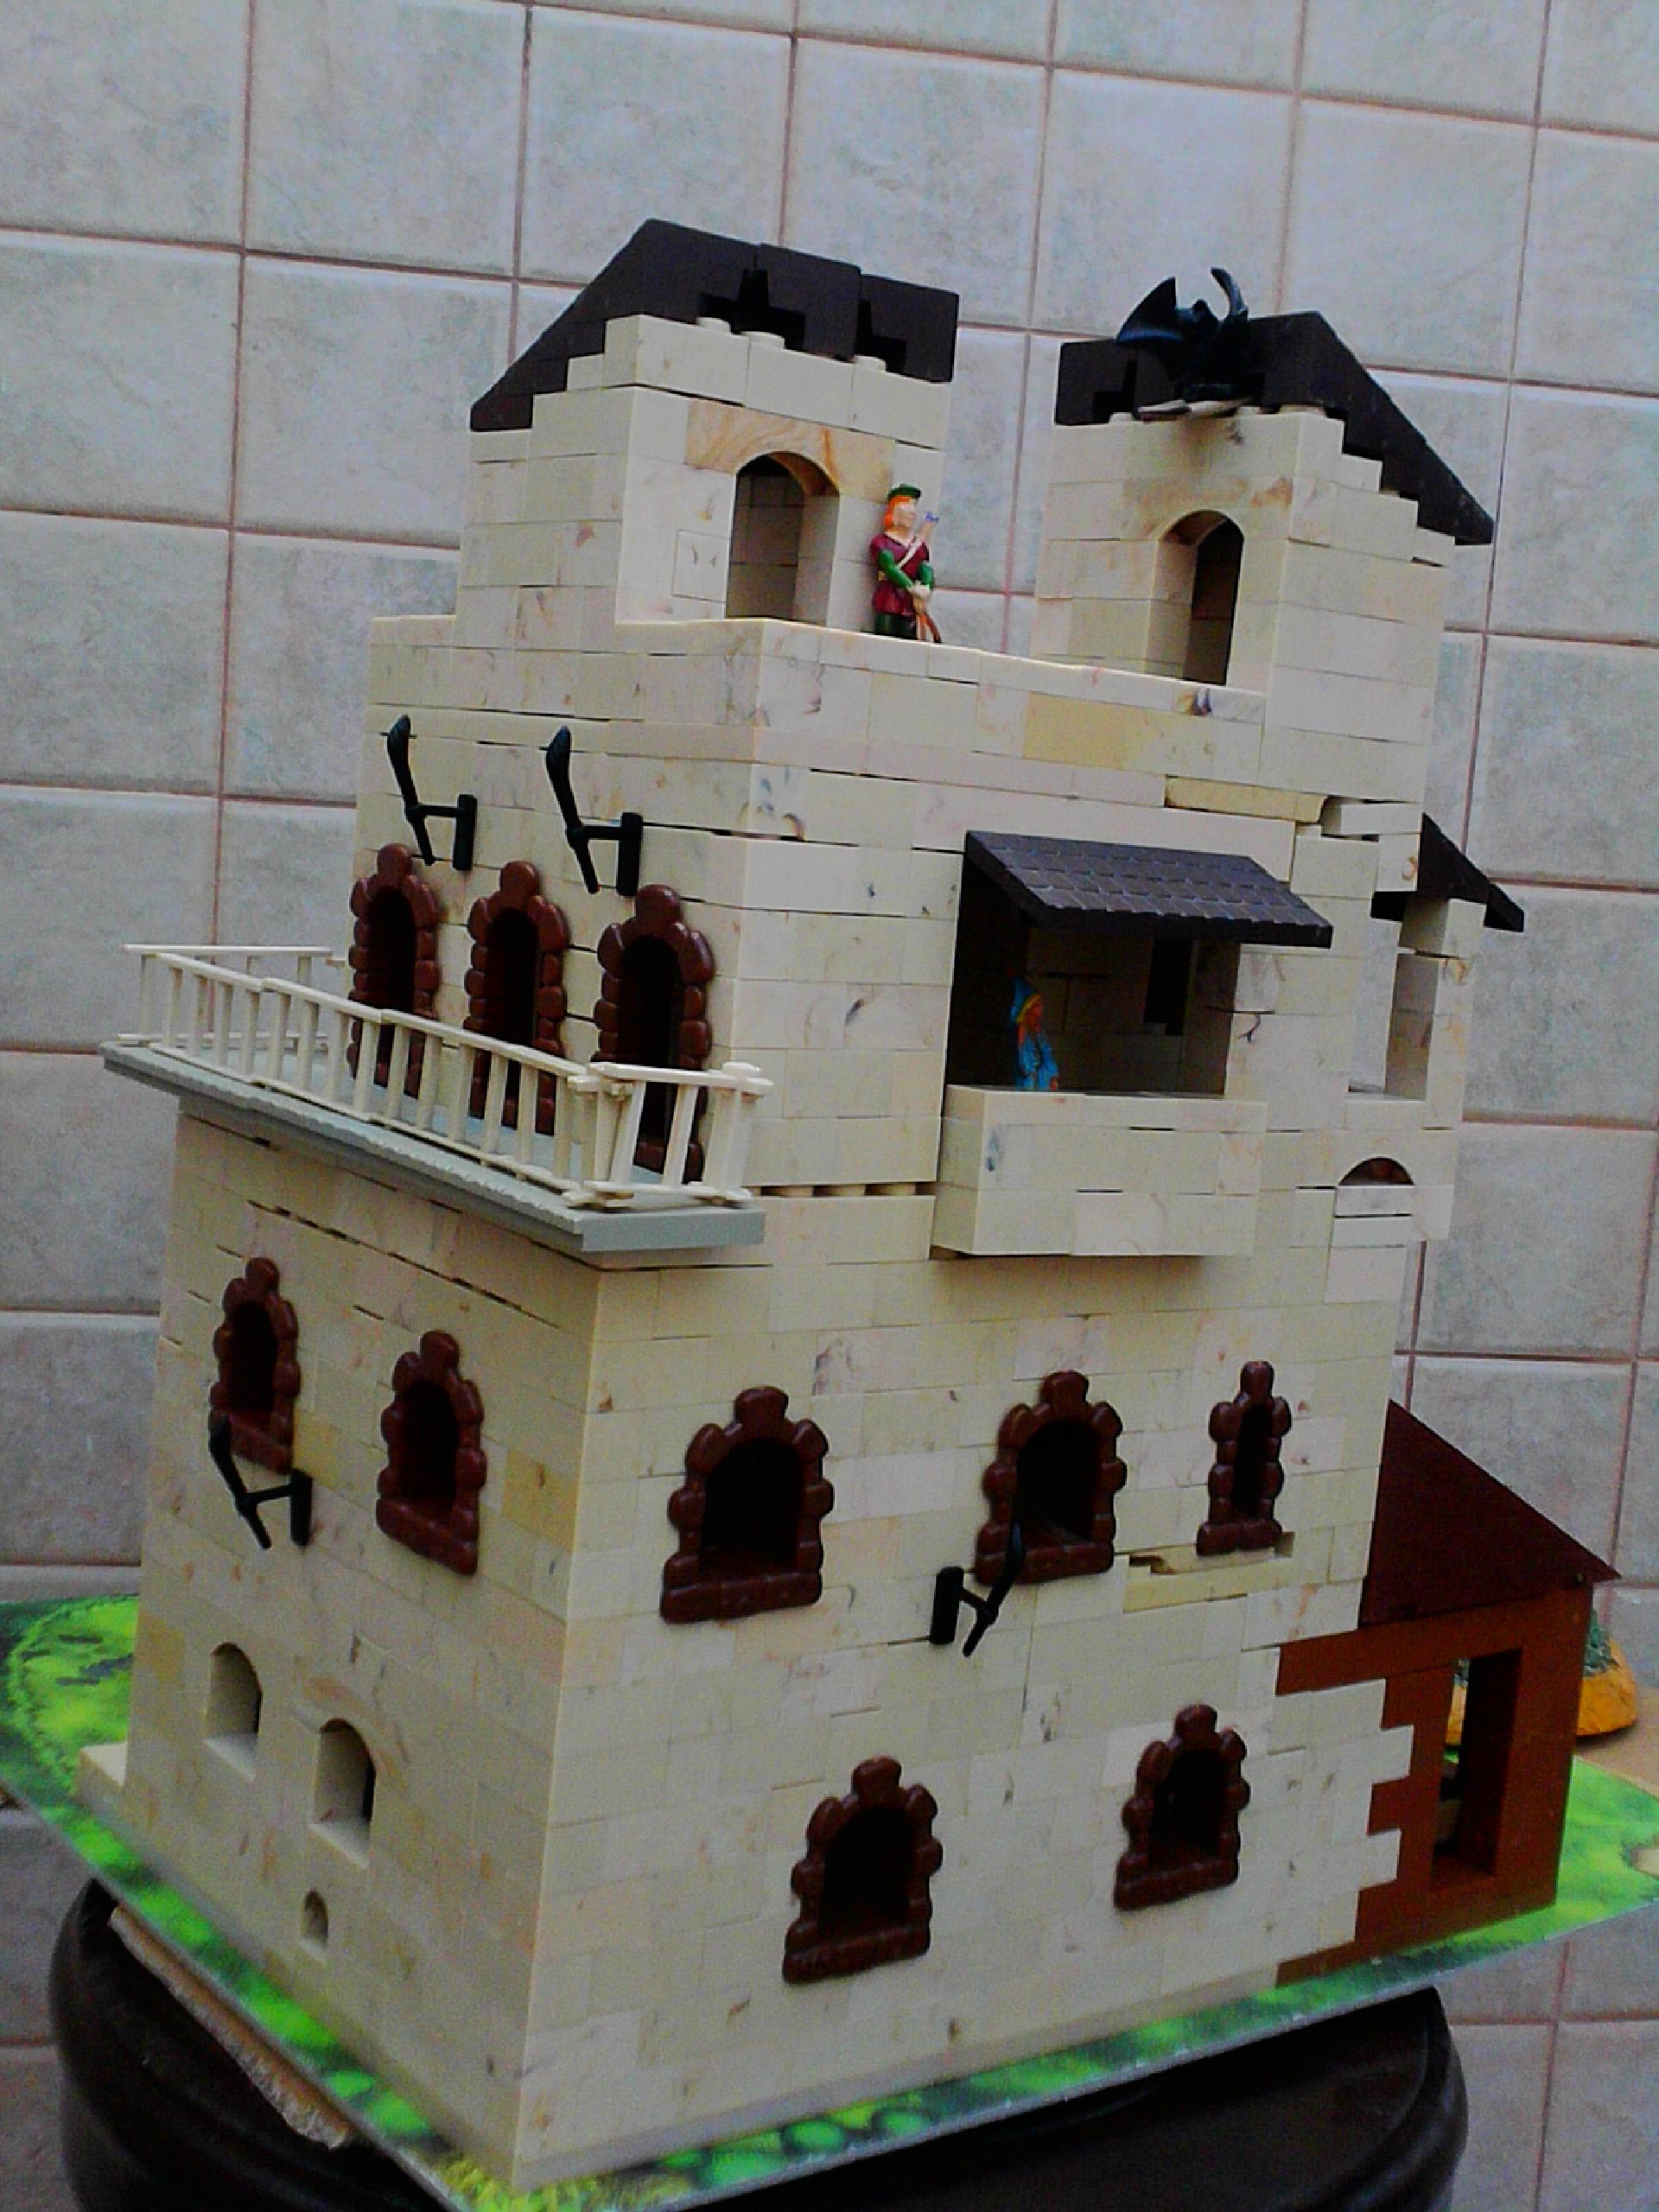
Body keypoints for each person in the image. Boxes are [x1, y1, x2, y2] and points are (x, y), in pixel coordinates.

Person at [869, 485, 937, 640]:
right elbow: (890, 568)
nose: (911, 516)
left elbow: (925, 568)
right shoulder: (882, 543)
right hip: (888, 602)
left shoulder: (919, 547)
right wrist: (912, 588)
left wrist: (926, 587)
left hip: (909, 607)